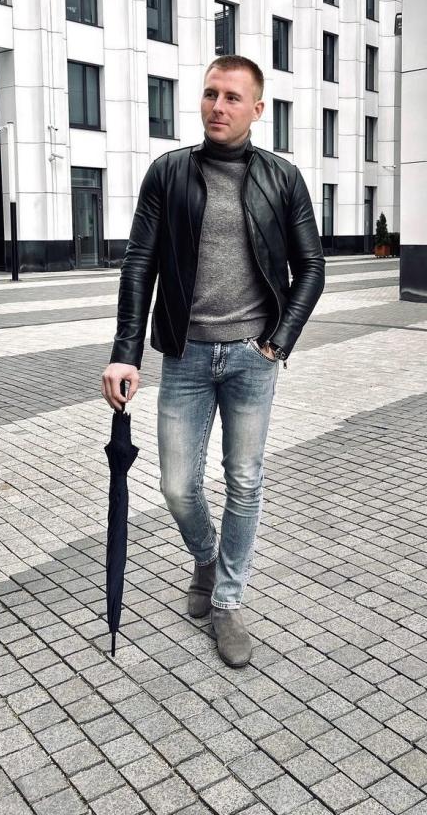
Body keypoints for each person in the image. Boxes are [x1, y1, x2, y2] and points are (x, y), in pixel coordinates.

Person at [101, 55, 324, 668]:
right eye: (210, 94)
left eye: (231, 97)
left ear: (257, 109)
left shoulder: (282, 178)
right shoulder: (169, 173)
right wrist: (125, 354)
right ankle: (205, 557)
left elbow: (311, 268)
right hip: (187, 354)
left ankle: (227, 601)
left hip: (254, 356)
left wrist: (278, 342)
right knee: (177, 486)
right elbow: (139, 263)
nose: (217, 106)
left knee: (245, 481)